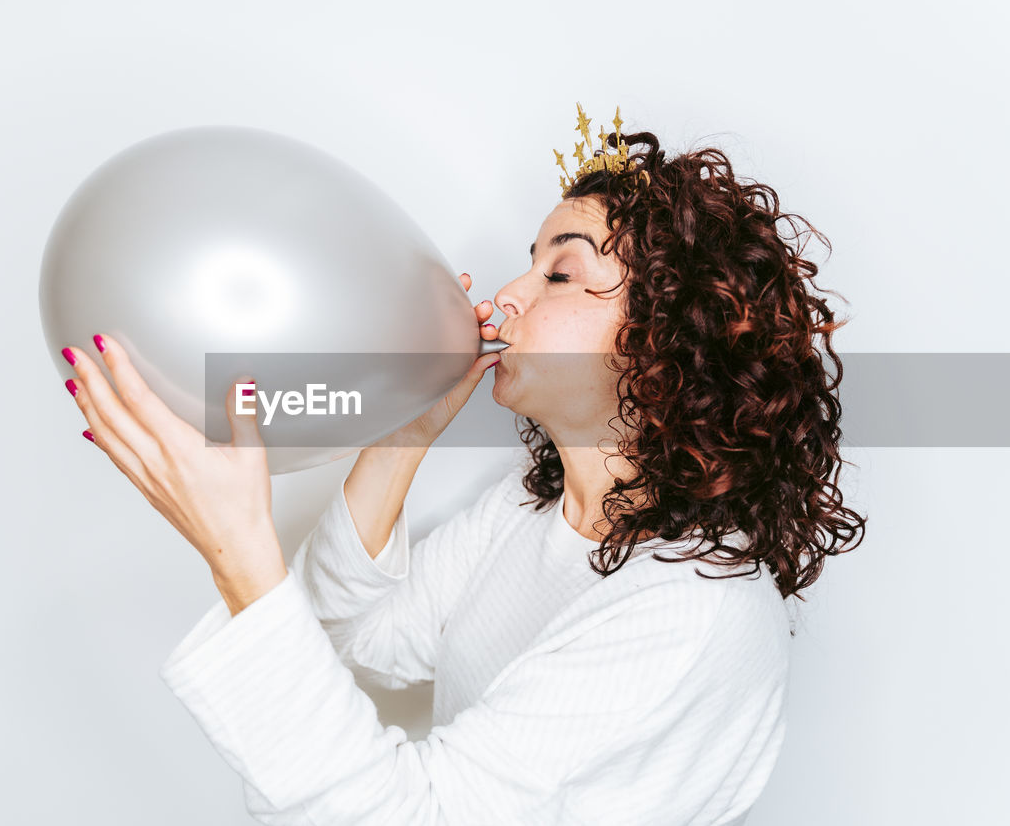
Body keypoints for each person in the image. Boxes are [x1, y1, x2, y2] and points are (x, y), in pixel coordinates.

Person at [65, 103, 867, 824]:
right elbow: (354, 636)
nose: (507, 294)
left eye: (560, 272)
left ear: (667, 344)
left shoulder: (698, 607)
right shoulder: (526, 514)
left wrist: (236, 547)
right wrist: (403, 438)